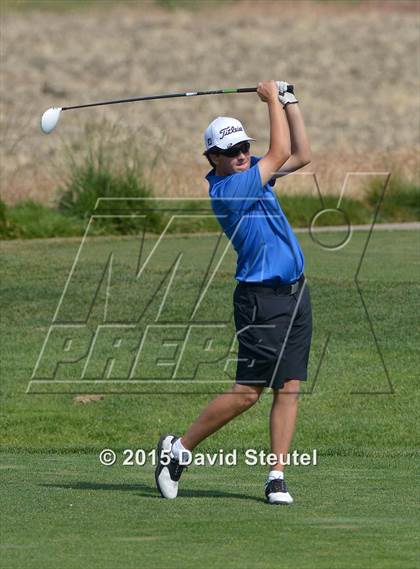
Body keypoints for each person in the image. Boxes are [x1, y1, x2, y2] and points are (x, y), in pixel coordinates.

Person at [155, 80, 312, 505]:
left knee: (290, 385)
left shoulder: (250, 172)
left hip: (295, 293)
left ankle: (276, 476)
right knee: (248, 392)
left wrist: (289, 101)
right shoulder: (230, 190)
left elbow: (300, 155)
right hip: (260, 298)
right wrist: (269, 100)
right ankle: (179, 449)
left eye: (245, 146)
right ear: (213, 158)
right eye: (231, 151)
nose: (242, 155)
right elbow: (279, 153)